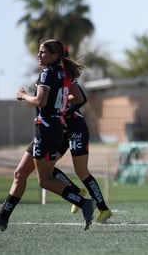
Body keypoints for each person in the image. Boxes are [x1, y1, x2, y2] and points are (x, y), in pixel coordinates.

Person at [0, 39, 94, 231]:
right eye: (39, 52)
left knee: (44, 180)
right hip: (51, 128)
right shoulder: (63, 72)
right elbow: (79, 98)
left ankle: (83, 203)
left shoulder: (48, 73)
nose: (38, 55)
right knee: (19, 173)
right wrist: (59, 108)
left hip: (47, 129)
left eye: (43, 52)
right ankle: (2, 218)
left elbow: (40, 101)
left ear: (55, 55)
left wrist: (23, 96)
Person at [53, 79, 112, 223]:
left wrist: (62, 101)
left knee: (81, 171)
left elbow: (80, 98)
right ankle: (77, 191)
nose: (40, 56)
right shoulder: (46, 77)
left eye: (43, 53)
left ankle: (103, 209)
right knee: (45, 166)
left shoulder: (61, 75)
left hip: (76, 128)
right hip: (62, 131)